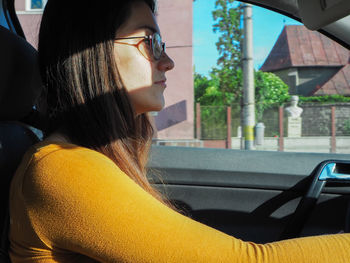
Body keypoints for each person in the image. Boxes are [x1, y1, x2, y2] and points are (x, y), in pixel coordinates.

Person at [9, 0, 350, 262]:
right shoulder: (61, 169)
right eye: (150, 41)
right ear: (92, 51)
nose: (167, 61)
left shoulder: (92, 158)